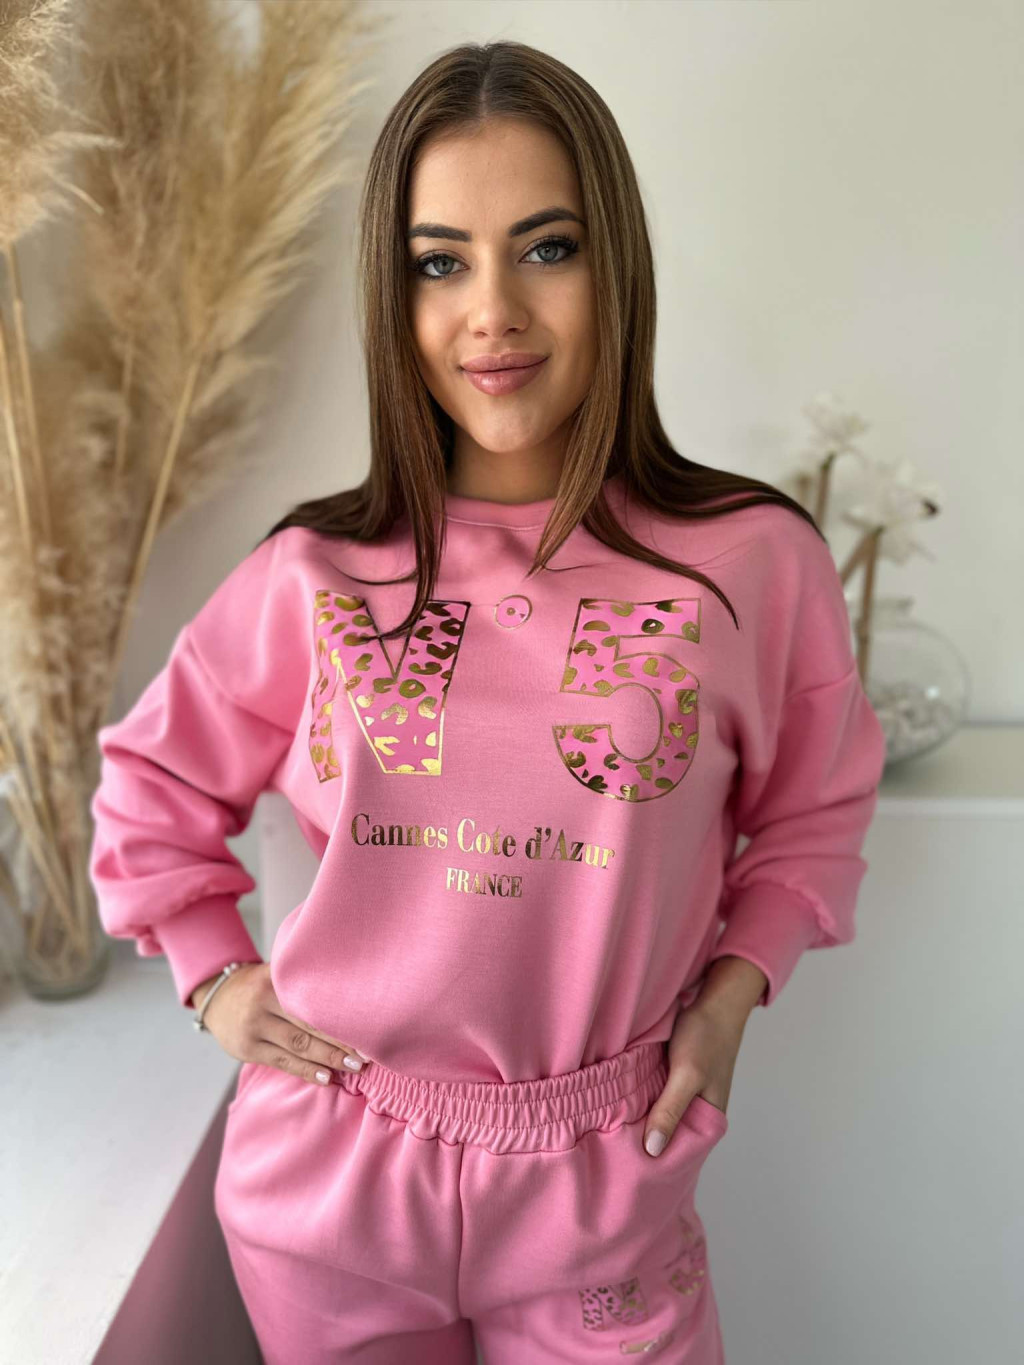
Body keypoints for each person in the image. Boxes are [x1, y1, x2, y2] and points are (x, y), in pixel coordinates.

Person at [88, 39, 887, 1365]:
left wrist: (737, 989)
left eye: (546, 248)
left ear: (615, 266)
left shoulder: (749, 564)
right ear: (392, 294)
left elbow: (817, 803)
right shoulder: (313, 574)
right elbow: (149, 784)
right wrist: (214, 976)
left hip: (604, 1183)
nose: (493, 311)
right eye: (440, 262)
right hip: (330, 1182)